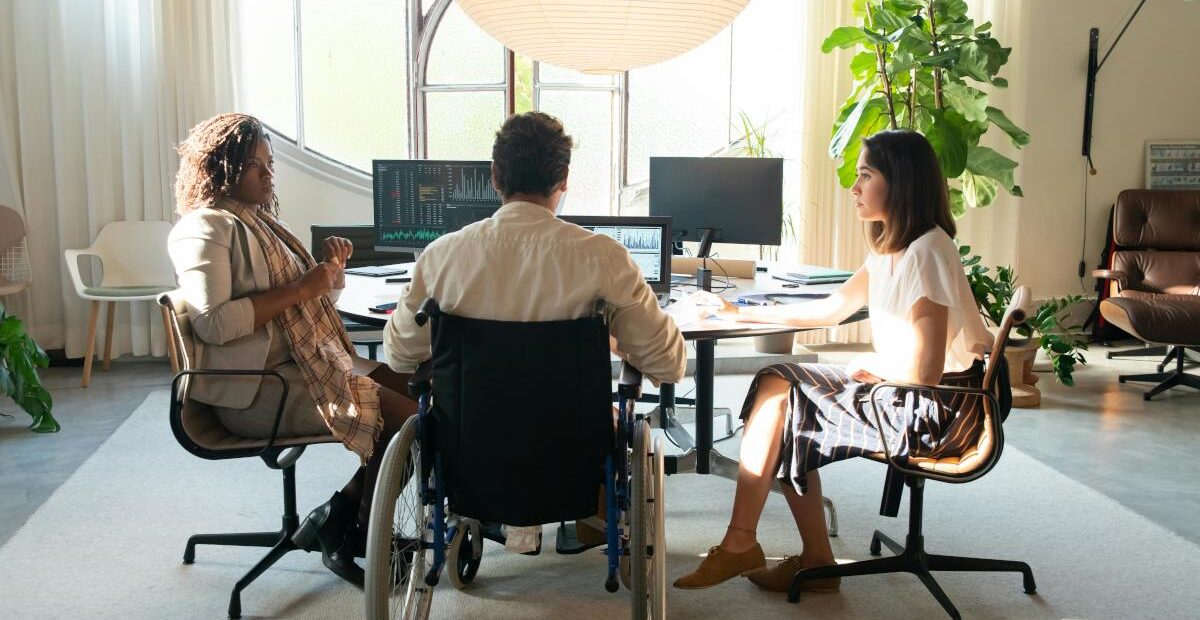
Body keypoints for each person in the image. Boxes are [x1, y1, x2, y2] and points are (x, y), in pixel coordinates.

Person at [673, 129, 994, 593]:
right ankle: (801, 557)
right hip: (907, 391)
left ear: (900, 183)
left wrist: (871, 369)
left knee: (783, 393)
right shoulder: (891, 247)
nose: (855, 187)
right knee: (778, 386)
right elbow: (830, 309)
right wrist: (738, 312)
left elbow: (925, 373)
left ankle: (753, 546)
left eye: (866, 175)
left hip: (934, 409)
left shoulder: (927, 252)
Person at [384, 111, 687, 552]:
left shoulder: (442, 257)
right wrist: (617, 341)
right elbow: (668, 363)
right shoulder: (603, 257)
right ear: (563, 179)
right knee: (618, 417)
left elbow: (398, 356)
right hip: (570, 457)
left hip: (470, 452)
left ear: (494, 176)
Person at [168, 113, 417, 587]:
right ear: (221, 169)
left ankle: (338, 516)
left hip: (301, 364)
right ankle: (361, 536)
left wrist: (330, 275)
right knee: (406, 421)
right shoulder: (205, 228)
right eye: (253, 166)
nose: (267, 174)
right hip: (257, 389)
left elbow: (303, 312)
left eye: (269, 163)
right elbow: (214, 323)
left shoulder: (262, 223)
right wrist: (304, 288)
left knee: (420, 393)